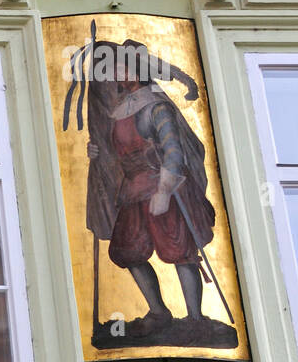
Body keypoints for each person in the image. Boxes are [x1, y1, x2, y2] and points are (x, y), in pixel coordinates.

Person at [85, 42, 216, 336]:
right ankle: (158, 312)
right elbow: (116, 153)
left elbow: (173, 151)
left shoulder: (155, 106)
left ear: (136, 71)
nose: (116, 72)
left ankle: (195, 318)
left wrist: (164, 191)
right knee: (127, 251)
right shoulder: (120, 109)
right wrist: (96, 151)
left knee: (179, 250)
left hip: (161, 188)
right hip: (132, 191)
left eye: (121, 66)